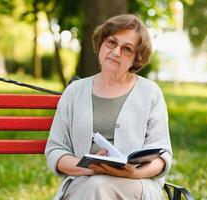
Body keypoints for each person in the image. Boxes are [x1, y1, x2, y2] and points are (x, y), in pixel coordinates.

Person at [45, 14, 172, 200]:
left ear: (137, 58)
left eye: (127, 49)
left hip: (137, 185)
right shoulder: (74, 92)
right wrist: (90, 168)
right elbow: (56, 150)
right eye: (112, 42)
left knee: (98, 186)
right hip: (83, 183)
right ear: (102, 43)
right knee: (97, 185)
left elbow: (162, 156)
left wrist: (133, 173)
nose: (116, 52)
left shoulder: (150, 93)